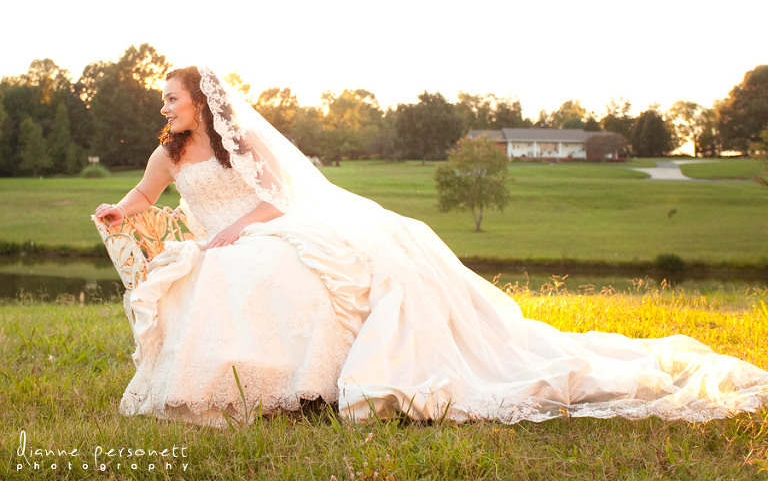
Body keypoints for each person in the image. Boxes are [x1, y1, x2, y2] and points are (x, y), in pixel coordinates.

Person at [95, 67, 768, 428]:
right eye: (164, 100)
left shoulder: (240, 145)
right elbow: (143, 200)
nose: (165, 107)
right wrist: (118, 211)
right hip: (216, 245)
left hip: (261, 228)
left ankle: (302, 387)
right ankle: (235, 388)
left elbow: (275, 200)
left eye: (172, 98)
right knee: (222, 274)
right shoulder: (172, 151)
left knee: (272, 266)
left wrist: (237, 232)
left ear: (201, 101)